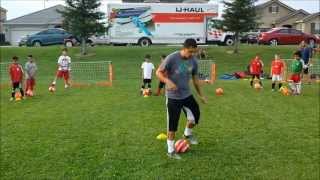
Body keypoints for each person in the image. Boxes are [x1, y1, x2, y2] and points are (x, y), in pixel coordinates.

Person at [156, 38, 207, 160]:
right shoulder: (172, 58)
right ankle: (171, 151)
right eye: (189, 52)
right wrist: (167, 81)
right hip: (173, 97)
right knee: (172, 125)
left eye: (194, 52)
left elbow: (195, 79)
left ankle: (187, 134)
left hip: (187, 95)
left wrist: (201, 95)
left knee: (195, 117)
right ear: (183, 48)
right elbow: (158, 72)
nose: (191, 55)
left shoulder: (193, 61)